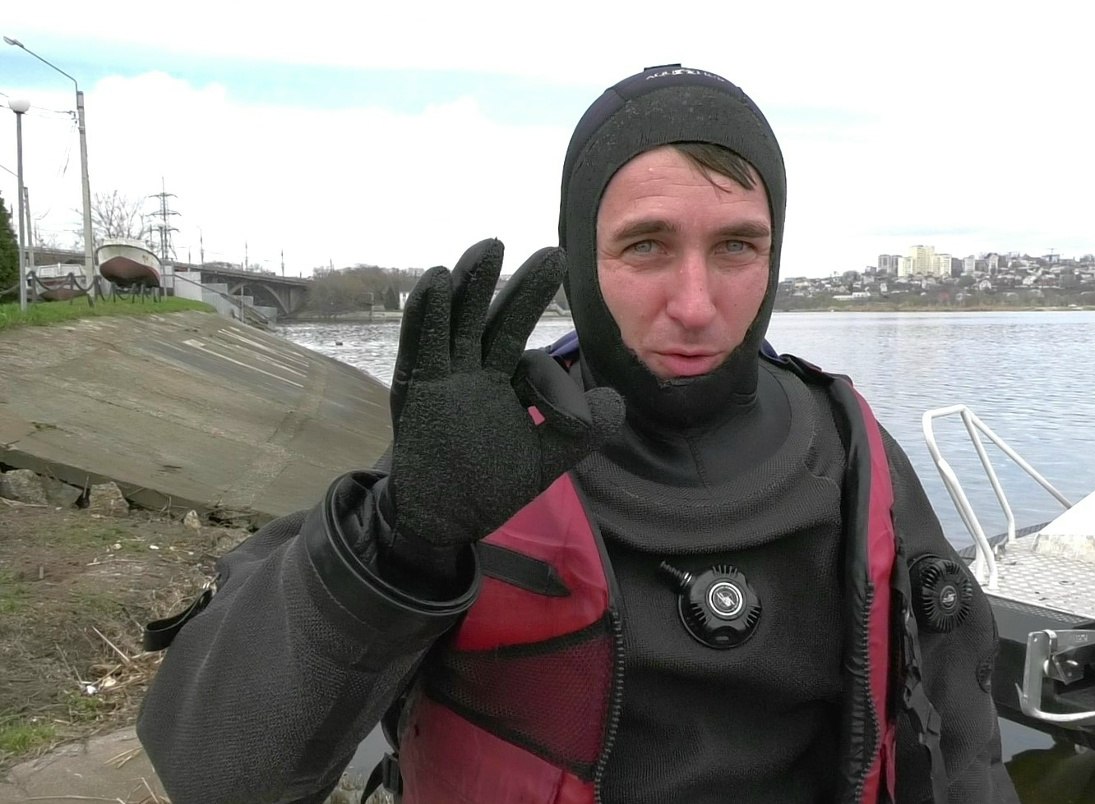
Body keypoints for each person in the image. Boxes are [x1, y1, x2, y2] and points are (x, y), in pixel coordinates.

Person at [138, 64, 1018, 804]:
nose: (695, 304)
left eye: (737, 248)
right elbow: (213, 773)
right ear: (579, 257)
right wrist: (397, 541)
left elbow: (964, 746)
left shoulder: (854, 456)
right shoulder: (477, 460)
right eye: (646, 247)